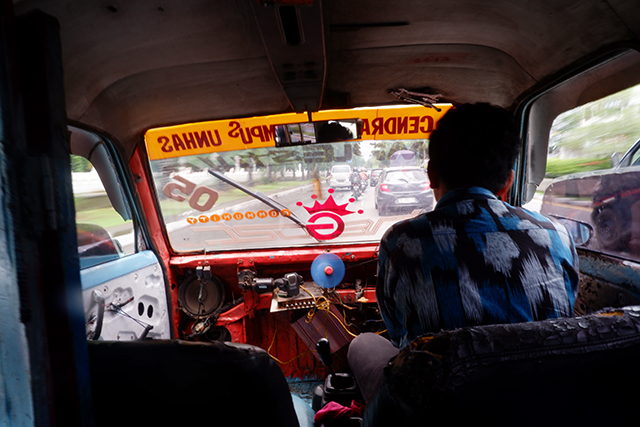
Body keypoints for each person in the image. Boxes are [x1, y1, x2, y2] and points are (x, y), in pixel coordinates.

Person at [348, 103, 579, 403]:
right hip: (545, 402)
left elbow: (398, 334)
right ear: (508, 180)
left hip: (438, 409)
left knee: (363, 344)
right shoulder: (556, 235)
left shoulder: (402, 243)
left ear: (431, 175)